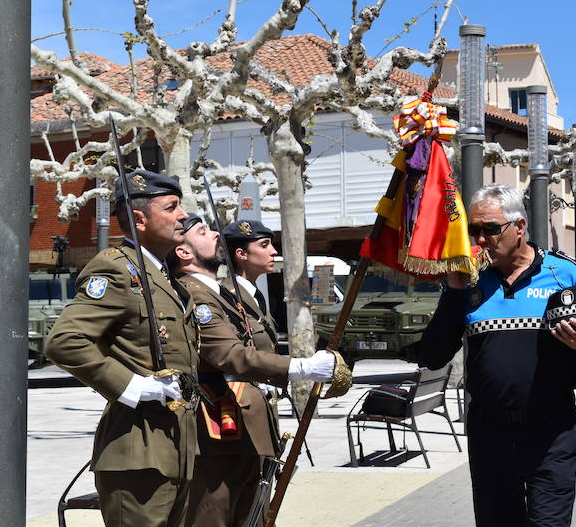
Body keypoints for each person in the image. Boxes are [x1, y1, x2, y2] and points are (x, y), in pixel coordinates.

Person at [417, 184, 576, 527]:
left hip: (552, 430)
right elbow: (434, 355)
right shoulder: (469, 281)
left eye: (490, 230)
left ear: (519, 227)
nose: (480, 240)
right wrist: (453, 291)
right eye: (474, 230)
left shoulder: (564, 272)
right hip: (490, 434)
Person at [173, 216, 350, 527]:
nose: (216, 234)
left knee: (249, 512)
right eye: (203, 232)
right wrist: (301, 368)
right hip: (220, 418)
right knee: (216, 514)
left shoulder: (221, 293)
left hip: (245, 417)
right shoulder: (196, 293)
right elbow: (228, 354)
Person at [45, 170, 199, 527]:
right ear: (140, 219)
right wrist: (133, 386)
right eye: (172, 207)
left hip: (177, 447)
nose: (182, 216)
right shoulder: (116, 270)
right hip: (137, 450)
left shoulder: (164, 279)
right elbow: (65, 341)